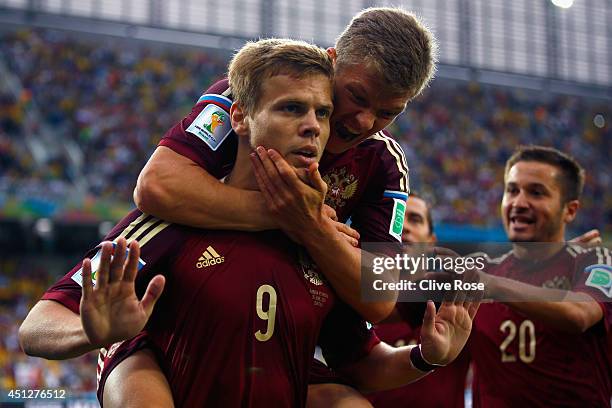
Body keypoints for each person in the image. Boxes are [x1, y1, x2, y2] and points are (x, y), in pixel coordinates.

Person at [20, 38, 478, 407]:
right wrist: (92, 334)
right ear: (241, 115)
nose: (354, 122)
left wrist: (423, 358)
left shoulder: (340, 237)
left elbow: (367, 334)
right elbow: (156, 185)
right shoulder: (173, 224)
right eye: (294, 109)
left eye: (321, 112)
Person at [133, 6, 437, 324]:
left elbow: (380, 296)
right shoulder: (256, 93)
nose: (364, 122)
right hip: (180, 302)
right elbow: (157, 184)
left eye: (388, 113)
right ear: (333, 61)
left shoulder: (384, 161)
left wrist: (310, 226)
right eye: (357, 96)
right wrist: (295, 215)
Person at [469, 145, 611, 407]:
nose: (518, 203)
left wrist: (488, 284)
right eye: (512, 190)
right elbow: (392, 304)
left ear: (570, 210)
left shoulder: (596, 261)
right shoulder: (483, 269)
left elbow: (579, 314)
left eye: (536, 192)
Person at [367, 193, 470, 407]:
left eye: (415, 219)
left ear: (431, 240)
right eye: (397, 218)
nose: (404, 227)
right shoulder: (356, 303)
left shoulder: (458, 301)